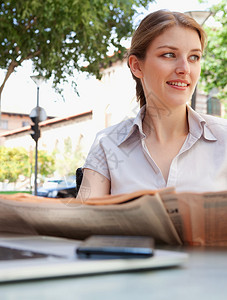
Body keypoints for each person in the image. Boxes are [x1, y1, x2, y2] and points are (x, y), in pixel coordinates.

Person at [77, 9, 227, 200]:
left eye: (194, 57)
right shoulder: (107, 144)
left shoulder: (224, 140)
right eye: (169, 55)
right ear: (137, 66)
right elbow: (82, 222)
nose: (185, 69)